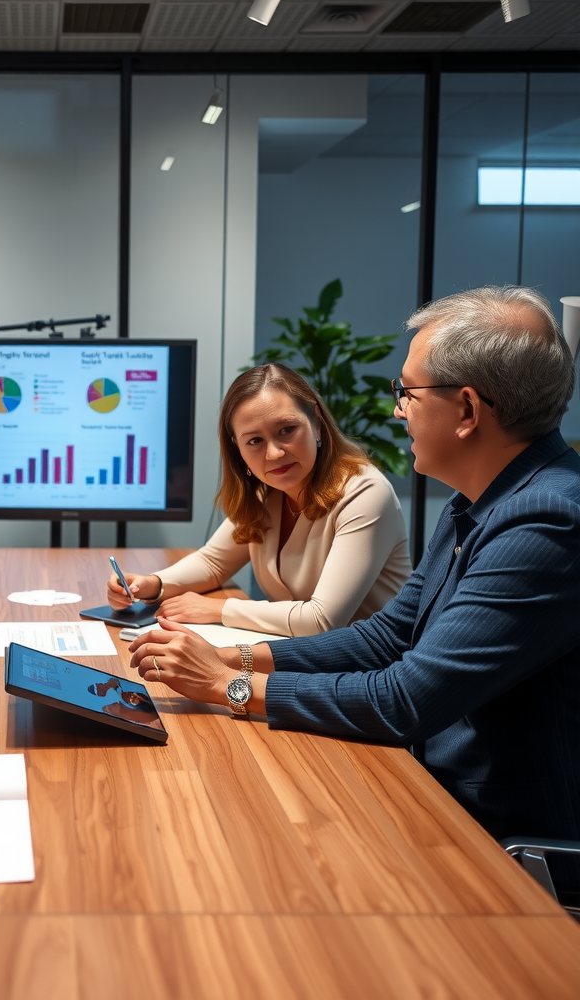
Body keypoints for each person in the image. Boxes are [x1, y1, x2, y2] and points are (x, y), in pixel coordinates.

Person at [129, 286, 580, 887]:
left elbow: (407, 698)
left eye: (408, 393)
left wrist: (228, 684)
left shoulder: (548, 522)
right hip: (424, 784)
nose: (398, 411)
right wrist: (233, 653)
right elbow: (386, 638)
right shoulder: (479, 504)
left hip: (487, 837)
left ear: (467, 410)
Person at [108, 364, 411, 637]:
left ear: (317, 425)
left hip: (370, 674)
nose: (274, 454)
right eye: (254, 441)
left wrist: (218, 610)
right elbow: (214, 562)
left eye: (287, 430)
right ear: (238, 449)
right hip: (307, 661)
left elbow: (322, 620)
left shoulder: (365, 493)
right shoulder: (267, 490)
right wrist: (152, 584)